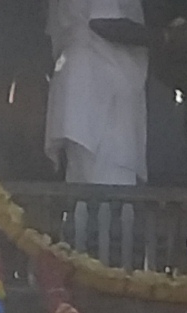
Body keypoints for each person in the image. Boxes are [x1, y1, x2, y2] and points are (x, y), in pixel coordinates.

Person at [43, 0, 151, 184]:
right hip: (99, 84)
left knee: (81, 178)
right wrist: (165, 36)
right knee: (109, 181)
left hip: (82, 81)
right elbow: (105, 22)